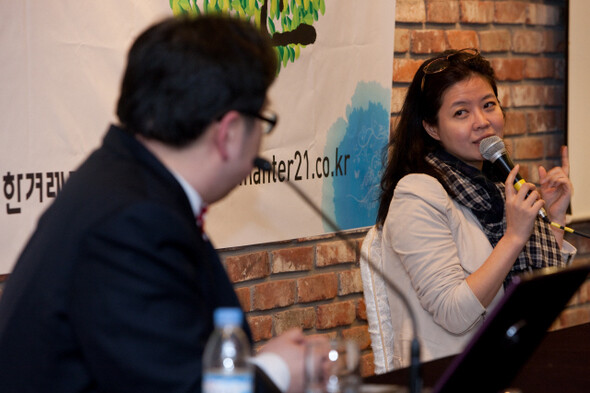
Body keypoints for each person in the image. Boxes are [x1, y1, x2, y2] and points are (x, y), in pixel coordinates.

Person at [0, 15, 310, 393]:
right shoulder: (132, 220)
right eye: (264, 120)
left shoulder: (127, 184)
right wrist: (275, 371)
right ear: (228, 133)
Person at [372, 48, 575, 369]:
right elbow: (454, 314)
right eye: (461, 113)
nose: (482, 122)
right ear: (432, 128)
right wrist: (513, 236)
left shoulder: (495, 186)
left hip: (512, 363)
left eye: (488, 105)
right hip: (447, 375)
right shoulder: (417, 193)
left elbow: (531, 301)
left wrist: (555, 217)